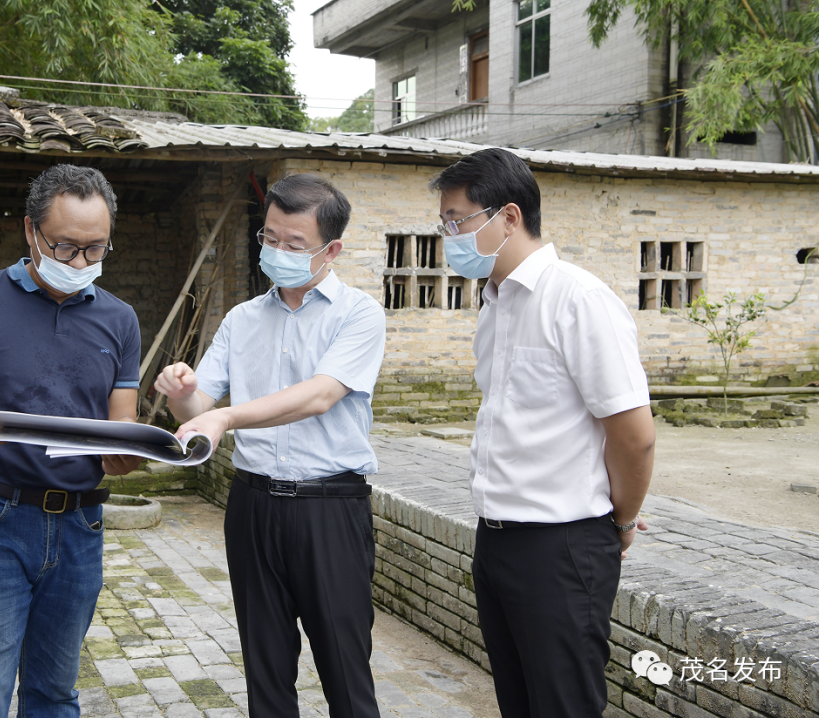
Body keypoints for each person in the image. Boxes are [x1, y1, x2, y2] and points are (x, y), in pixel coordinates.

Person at [0, 164, 143, 718]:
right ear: (30, 232)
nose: (82, 263)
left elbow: (119, 431)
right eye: (65, 248)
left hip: (81, 524)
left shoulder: (120, 319)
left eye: (97, 250)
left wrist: (129, 455)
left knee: (55, 693)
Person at [430, 148, 656, 718]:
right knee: (519, 700)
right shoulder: (495, 302)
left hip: (561, 545)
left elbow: (633, 434)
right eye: (444, 223)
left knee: (562, 704)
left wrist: (621, 520)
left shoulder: (577, 298)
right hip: (497, 537)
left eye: (457, 220)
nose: (448, 235)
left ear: (508, 217)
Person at [154, 174, 386, 718]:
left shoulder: (358, 314)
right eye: (269, 238)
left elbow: (320, 396)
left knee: (345, 669)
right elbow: (197, 414)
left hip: (329, 508)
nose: (276, 252)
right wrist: (182, 394)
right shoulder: (242, 318)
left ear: (332, 250)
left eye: (294, 244)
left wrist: (226, 415)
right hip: (253, 506)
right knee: (265, 667)